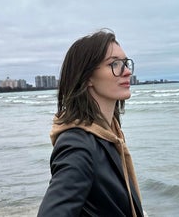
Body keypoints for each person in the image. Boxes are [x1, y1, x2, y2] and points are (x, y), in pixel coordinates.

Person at [37, 29, 146, 217]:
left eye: (126, 63)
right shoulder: (78, 146)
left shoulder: (110, 135)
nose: (127, 71)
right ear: (87, 77)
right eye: (115, 64)